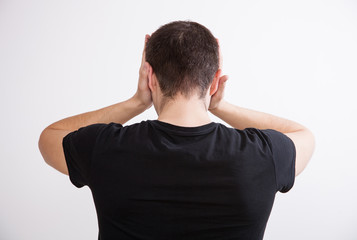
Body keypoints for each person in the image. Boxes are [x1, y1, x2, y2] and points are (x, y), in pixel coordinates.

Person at [38, 21, 315, 240]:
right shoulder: (263, 155)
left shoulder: (104, 147)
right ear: (215, 80)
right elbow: (303, 135)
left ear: (150, 77)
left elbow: (50, 135)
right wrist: (220, 106)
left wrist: (136, 102)